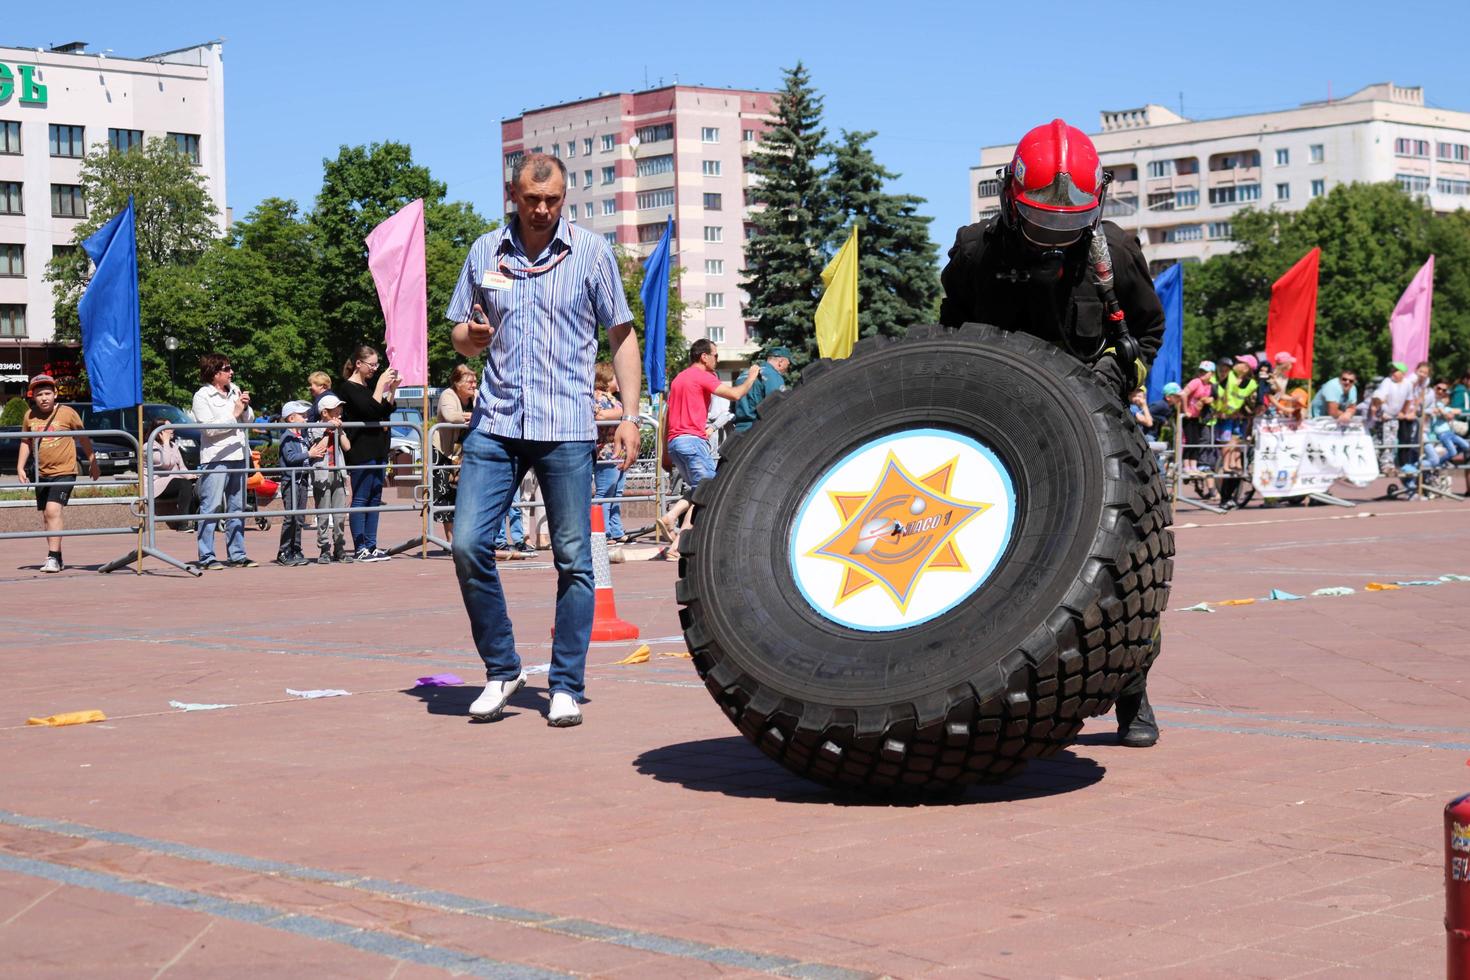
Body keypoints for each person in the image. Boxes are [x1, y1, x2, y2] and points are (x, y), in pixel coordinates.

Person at [938, 118, 1166, 748]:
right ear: (1011, 198)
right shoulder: (975, 251)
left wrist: (1113, 377)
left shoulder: (1113, 251)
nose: (1053, 239)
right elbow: (950, 336)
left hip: (1098, 429)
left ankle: (1133, 693)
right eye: (1044, 223)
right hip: (1004, 430)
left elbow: (1147, 331)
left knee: (1126, 563)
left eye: (1068, 226)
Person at [446, 150, 643, 728]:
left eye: (552, 200)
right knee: (466, 545)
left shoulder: (591, 253)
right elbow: (459, 330)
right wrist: (470, 338)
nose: (541, 209)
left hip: (566, 428)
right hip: (497, 422)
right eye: (531, 200)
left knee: (574, 558)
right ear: (514, 196)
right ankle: (503, 668)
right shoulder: (485, 250)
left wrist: (629, 415)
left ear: (565, 199)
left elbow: (621, 336)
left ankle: (565, 684)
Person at [656, 340, 759, 560]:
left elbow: (665, 418)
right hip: (693, 441)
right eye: (715, 355)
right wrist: (751, 377)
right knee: (710, 489)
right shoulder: (703, 376)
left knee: (699, 491)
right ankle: (673, 520)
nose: (717, 360)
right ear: (704, 356)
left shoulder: (678, 379)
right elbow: (735, 394)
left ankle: (676, 543)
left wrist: (665, 452)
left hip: (676, 443)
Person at [15, 373, 99, 572]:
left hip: (65, 471)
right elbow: (25, 441)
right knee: (47, 516)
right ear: (32, 397)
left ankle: (52, 558)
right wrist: (20, 466)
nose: (44, 398)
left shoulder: (67, 413)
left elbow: (83, 437)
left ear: (55, 394)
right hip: (42, 473)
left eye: (47, 393)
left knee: (53, 510)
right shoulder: (29, 416)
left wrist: (92, 461)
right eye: (39, 394)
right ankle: (57, 556)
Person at [334, 345, 400, 562]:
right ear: (358, 364)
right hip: (361, 448)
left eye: (376, 365)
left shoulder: (370, 385)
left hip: (378, 447)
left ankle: (371, 545)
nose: (374, 369)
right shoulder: (347, 388)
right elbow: (368, 410)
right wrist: (381, 384)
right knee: (361, 497)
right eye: (371, 365)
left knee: (375, 497)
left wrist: (391, 389)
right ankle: (360, 546)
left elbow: (383, 410)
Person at [192, 353, 256, 570]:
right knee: (211, 507)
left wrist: (245, 408)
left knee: (237, 508)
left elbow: (249, 420)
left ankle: (237, 554)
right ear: (215, 373)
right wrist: (234, 413)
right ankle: (207, 556)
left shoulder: (235, 389)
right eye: (227, 369)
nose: (232, 372)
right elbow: (208, 429)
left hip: (239, 454)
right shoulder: (202, 396)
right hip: (216, 458)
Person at [274, 401, 324, 566]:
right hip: (291, 482)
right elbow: (290, 458)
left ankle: (296, 548)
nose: (305, 418)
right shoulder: (287, 437)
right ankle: (284, 551)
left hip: (301, 480)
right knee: (291, 516)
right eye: (302, 416)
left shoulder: (301, 437)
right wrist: (309, 454)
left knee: (300, 517)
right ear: (291, 418)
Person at [434, 365, 477, 543]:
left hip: (467, 453)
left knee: (467, 494)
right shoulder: (447, 395)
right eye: (470, 381)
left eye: (475, 381)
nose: (474, 385)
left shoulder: (477, 397)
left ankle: (465, 537)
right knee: (445, 494)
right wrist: (472, 416)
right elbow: (450, 416)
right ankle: (451, 540)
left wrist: (472, 415)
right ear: (457, 383)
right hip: (444, 450)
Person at [309, 392, 351, 563]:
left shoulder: (338, 426)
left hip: (338, 473)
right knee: (324, 514)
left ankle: (340, 548)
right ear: (325, 413)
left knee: (340, 515)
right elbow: (319, 449)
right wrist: (328, 431)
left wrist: (339, 431)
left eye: (340, 411)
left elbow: (347, 447)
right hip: (322, 474)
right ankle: (324, 549)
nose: (339, 414)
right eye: (335, 411)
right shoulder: (314, 427)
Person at [592, 361, 630, 542]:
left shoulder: (613, 399)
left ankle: (616, 530)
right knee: (605, 492)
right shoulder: (598, 397)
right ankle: (603, 531)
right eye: (616, 377)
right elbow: (599, 415)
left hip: (618, 452)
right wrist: (622, 414)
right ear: (606, 379)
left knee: (617, 492)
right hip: (606, 452)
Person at [146, 418, 196, 531]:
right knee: (184, 484)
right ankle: (182, 524)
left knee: (195, 483)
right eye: (168, 428)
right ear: (160, 432)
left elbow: (182, 467)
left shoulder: (174, 446)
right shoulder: (149, 447)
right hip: (157, 485)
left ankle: (198, 521)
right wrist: (166, 442)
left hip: (174, 481)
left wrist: (191, 476)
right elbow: (166, 463)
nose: (173, 430)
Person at [731, 347, 792, 433]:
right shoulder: (773, 375)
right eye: (788, 364)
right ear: (780, 362)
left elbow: (733, 405)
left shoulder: (744, 374)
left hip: (738, 430)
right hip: (758, 431)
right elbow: (777, 406)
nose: (788, 368)